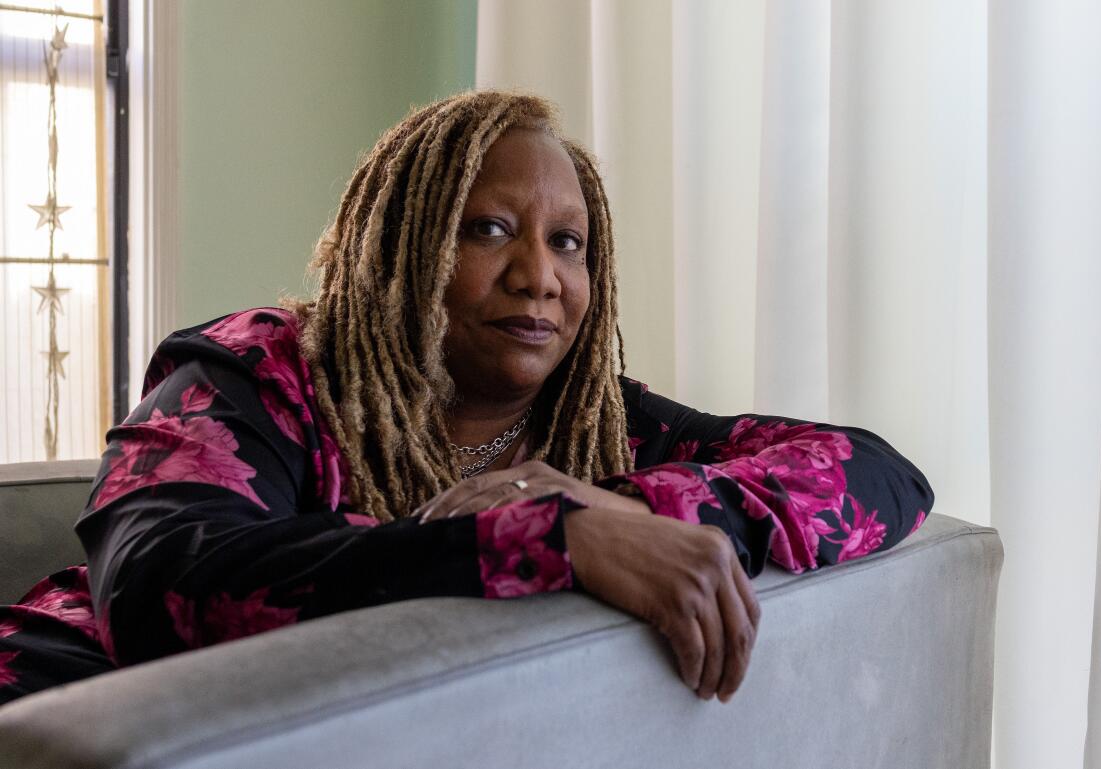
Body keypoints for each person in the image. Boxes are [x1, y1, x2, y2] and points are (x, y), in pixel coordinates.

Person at [0, 91, 932, 708]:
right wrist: (541, 540)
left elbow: (879, 474)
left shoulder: (605, 423)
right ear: (398, 249)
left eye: (570, 243)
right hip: (59, 707)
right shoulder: (260, 371)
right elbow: (159, 582)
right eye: (489, 229)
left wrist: (607, 507)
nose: (540, 276)